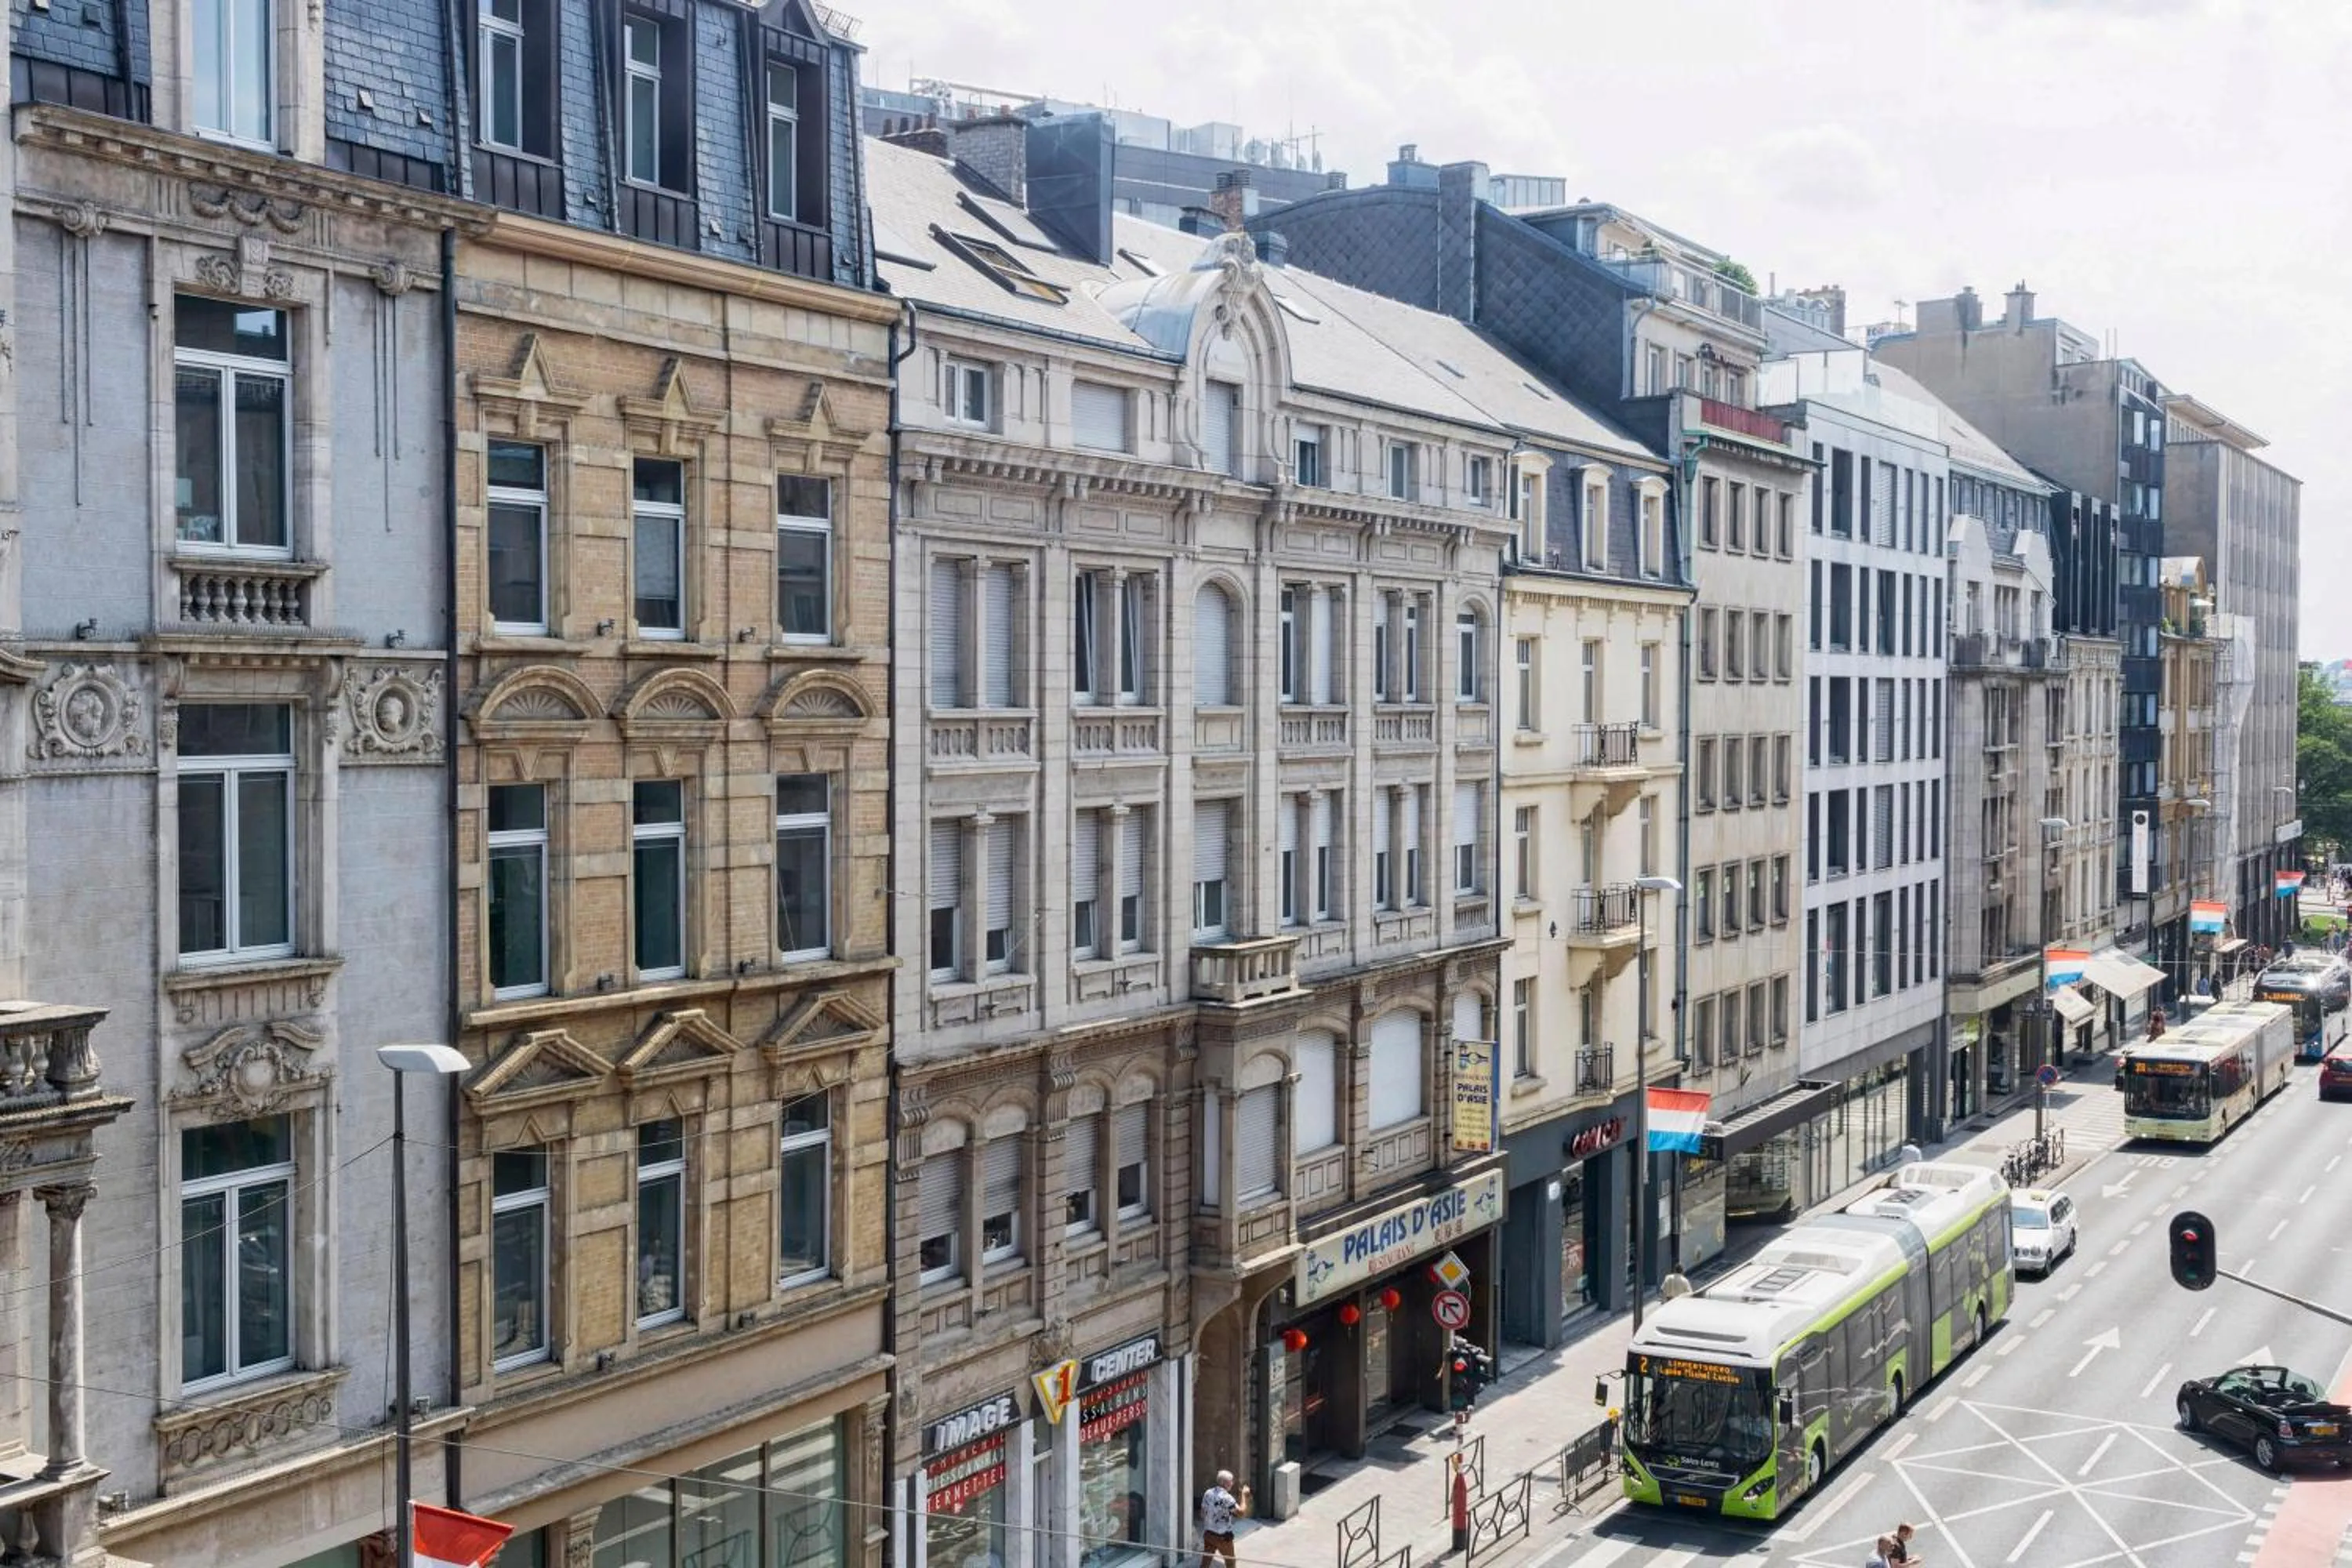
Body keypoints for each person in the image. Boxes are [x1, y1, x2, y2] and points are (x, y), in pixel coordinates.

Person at [1198, 1469, 1250, 1568]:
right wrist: (1244, 1495)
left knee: (1205, 1564)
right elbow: (1241, 1513)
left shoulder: (1208, 1493)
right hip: (1223, 1537)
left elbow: (1202, 1514)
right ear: (1225, 1483)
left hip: (1209, 1534)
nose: (1233, 1483)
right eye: (1231, 1481)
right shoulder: (1227, 1498)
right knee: (1230, 1563)